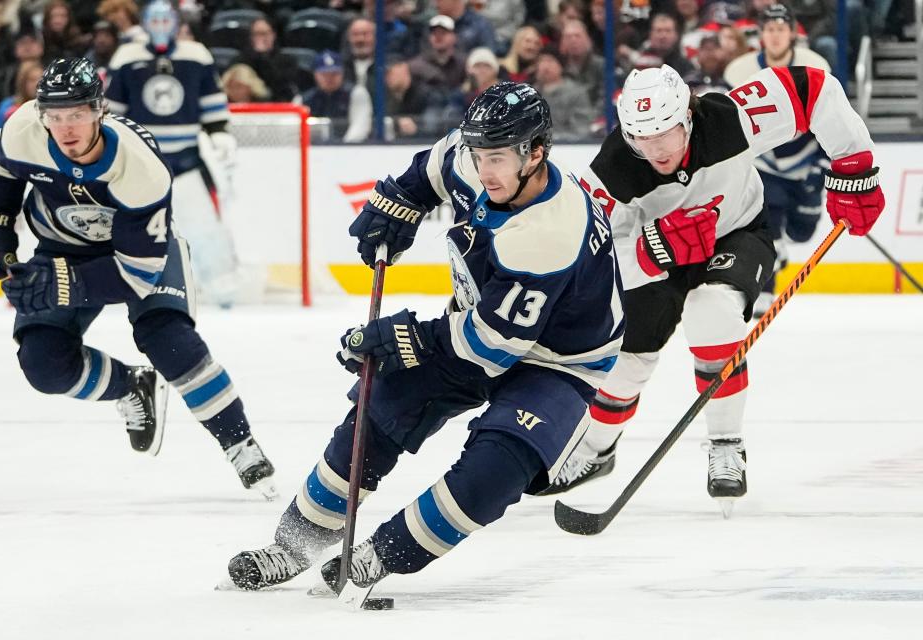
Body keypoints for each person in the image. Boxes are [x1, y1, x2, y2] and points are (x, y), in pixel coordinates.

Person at [226, 81, 624, 591]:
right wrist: (399, 202)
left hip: (558, 362)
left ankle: (382, 554)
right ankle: (295, 545)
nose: (485, 170)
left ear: (537, 152)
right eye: (480, 154)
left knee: (496, 470)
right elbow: (431, 170)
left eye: (498, 158)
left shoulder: (551, 231)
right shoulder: (472, 158)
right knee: (380, 407)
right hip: (479, 322)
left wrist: (405, 338)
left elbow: (492, 347)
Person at [549, 64, 884, 516]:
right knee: (626, 357)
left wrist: (855, 166)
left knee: (712, 314)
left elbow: (814, 87)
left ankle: (727, 444)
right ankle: (596, 449)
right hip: (660, 258)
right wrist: (649, 251)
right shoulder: (611, 172)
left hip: (738, 234)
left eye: (664, 133)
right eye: (640, 138)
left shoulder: (732, 117)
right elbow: (589, 259)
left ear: (687, 116)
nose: (653, 149)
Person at [0, 57, 277, 498]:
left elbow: (136, 274)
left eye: (76, 114)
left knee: (168, 340)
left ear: (99, 110)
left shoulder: (140, 168)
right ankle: (131, 385)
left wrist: (64, 283)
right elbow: (3, 175)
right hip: (62, 248)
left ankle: (240, 443)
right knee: (43, 364)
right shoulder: (22, 129)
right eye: (55, 117)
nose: (66, 128)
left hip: (139, 254)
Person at [105, 0, 240, 307]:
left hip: (186, 158)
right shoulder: (127, 56)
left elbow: (211, 101)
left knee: (204, 226)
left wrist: (219, 132)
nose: (161, 28)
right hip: (142, 160)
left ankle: (222, 288)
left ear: (178, 24)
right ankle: (130, 285)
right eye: (156, 21)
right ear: (144, 23)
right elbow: (113, 112)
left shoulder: (196, 55)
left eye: (168, 21)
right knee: (136, 228)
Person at [724, 4, 831, 317]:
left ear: (792, 34)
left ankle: (780, 245)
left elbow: (828, 120)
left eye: (780, 29)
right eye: (769, 29)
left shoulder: (815, 66)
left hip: (806, 159)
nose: (774, 36)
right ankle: (765, 289)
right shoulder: (740, 71)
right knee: (767, 223)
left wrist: (823, 166)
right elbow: (734, 121)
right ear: (760, 35)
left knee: (802, 231)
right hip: (764, 162)